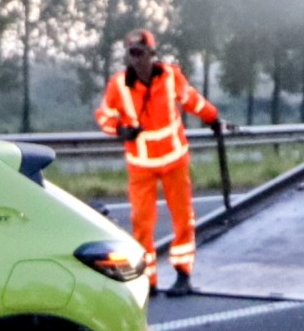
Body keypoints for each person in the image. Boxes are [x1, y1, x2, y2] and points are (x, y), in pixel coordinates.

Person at [94, 29, 221, 295]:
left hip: (174, 160)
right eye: (132, 53)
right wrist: (120, 130)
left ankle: (183, 274)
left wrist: (213, 118)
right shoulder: (119, 84)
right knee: (142, 223)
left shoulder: (171, 76)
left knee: (183, 219)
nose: (137, 58)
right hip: (141, 164)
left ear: (152, 54)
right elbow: (104, 116)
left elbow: (191, 100)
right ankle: (147, 280)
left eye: (141, 52)